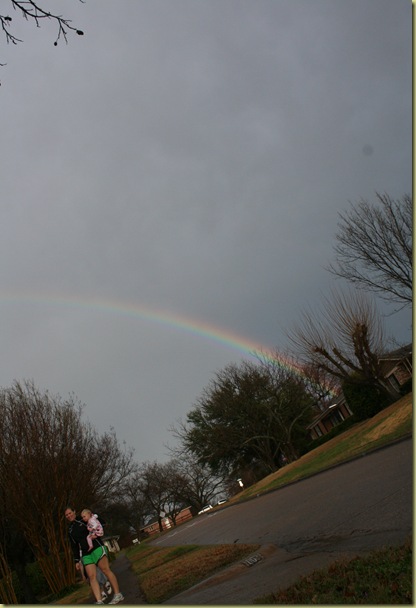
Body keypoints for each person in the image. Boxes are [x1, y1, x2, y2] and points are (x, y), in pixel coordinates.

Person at [65, 506, 124, 605]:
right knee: (92, 577)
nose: (68, 516)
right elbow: (74, 546)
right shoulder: (70, 530)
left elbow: (102, 523)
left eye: (70, 513)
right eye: (66, 515)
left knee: (105, 570)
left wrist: (96, 533)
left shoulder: (84, 518)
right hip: (85, 553)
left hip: (96, 547)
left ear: (74, 512)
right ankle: (99, 601)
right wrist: (76, 560)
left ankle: (118, 594)